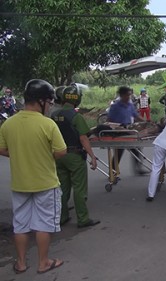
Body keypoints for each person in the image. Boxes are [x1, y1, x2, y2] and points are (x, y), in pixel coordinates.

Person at [0, 79, 66, 274]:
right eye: (50, 101)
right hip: (45, 183)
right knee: (43, 224)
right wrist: (42, 154)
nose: (50, 105)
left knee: (20, 224)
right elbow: (61, 152)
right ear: (40, 101)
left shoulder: (8, 123)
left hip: (20, 184)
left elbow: (2, 149)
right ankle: (43, 262)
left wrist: (20, 153)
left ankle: (20, 263)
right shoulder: (48, 124)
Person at [52, 85, 100, 228]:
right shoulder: (76, 116)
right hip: (74, 156)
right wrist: (92, 156)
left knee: (63, 188)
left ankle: (62, 216)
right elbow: (83, 139)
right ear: (77, 99)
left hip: (58, 156)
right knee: (79, 188)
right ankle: (83, 219)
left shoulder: (54, 115)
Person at [107, 86, 146, 174]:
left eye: (129, 95)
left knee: (136, 149)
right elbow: (109, 120)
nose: (128, 97)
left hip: (129, 128)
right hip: (119, 130)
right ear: (121, 95)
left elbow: (136, 115)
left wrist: (145, 121)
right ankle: (112, 171)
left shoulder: (130, 105)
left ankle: (138, 168)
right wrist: (114, 127)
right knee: (118, 152)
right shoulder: (115, 107)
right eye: (127, 95)